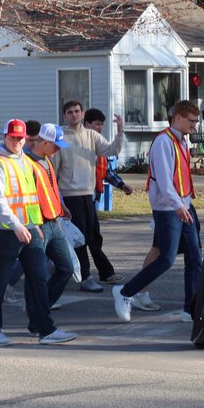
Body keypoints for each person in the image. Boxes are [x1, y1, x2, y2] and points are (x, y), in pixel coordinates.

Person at [0, 119, 77, 346]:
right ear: (4, 137)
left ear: (26, 139)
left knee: (38, 278)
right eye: (12, 137)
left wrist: (34, 226)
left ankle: (46, 329)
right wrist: (16, 225)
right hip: (4, 231)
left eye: (20, 138)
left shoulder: (26, 161)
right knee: (0, 279)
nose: (16, 141)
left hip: (30, 229)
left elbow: (31, 199)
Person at [112, 100, 202, 323]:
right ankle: (125, 292)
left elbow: (179, 177)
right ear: (178, 117)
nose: (194, 126)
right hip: (169, 209)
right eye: (191, 121)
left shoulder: (181, 141)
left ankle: (191, 309)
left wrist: (186, 201)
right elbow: (163, 180)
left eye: (196, 121)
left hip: (183, 206)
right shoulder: (164, 141)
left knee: (195, 257)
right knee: (166, 259)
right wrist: (178, 205)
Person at [84, 108, 157, 312]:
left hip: (92, 195)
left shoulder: (99, 144)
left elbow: (107, 171)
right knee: (89, 236)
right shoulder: (82, 144)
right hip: (78, 198)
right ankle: (98, 273)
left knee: (88, 236)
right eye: (95, 124)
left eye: (100, 124)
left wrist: (121, 185)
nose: (98, 127)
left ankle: (90, 273)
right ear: (87, 124)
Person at [56, 100, 124, 292]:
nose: (74, 115)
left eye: (77, 111)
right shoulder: (60, 138)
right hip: (70, 195)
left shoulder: (92, 135)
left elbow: (112, 150)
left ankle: (99, 272)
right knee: (80, 238)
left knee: (92, 235)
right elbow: (53, 169)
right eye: (69, 112)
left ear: (82, 113)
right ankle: (85, 277)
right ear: (64, 116)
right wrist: (60, 200)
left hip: (89, 194)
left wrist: (119, 132)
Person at [25, 123, 77, 317]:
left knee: (66, 268)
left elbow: (51, 186)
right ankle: (37, 314)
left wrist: (61, 205)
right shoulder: (27, 163)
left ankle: (41, 306)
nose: (57, 151)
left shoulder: (46, 159)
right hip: (39, 224)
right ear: (45, 142)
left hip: (54, 222)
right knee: (35, 274)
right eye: (55, 146)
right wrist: (33, 224)